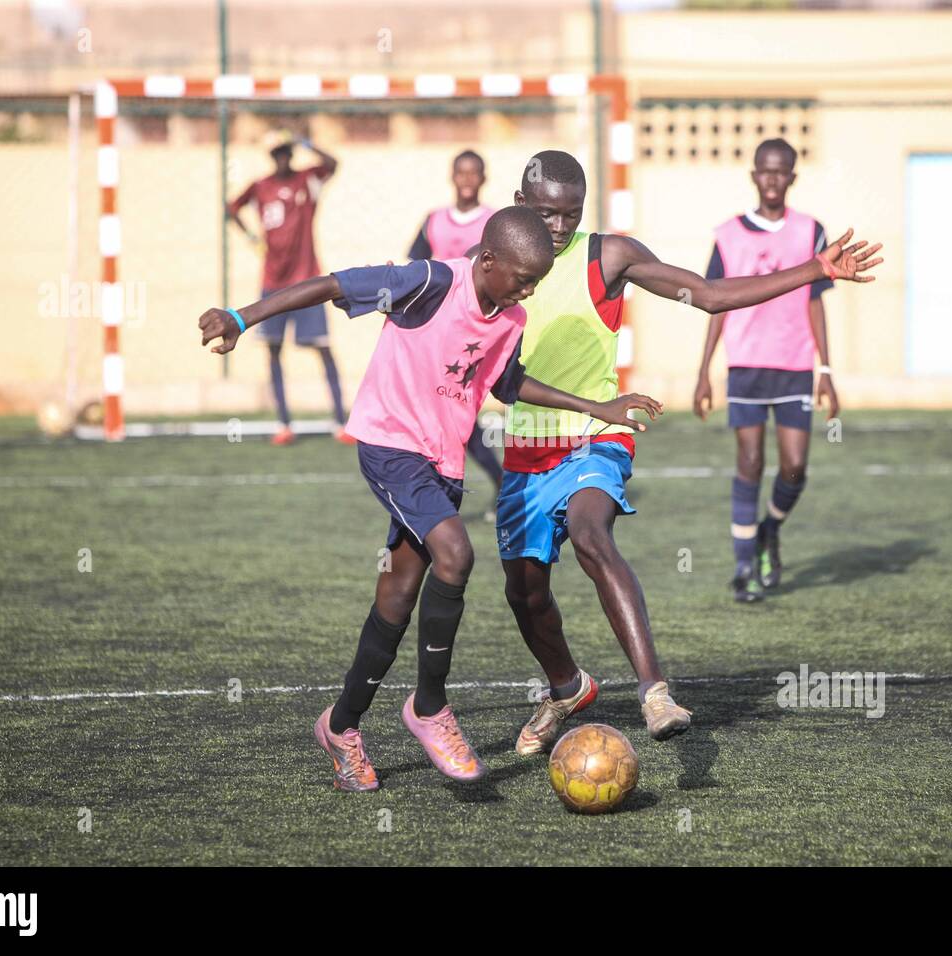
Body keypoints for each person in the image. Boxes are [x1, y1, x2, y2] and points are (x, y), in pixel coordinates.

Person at [197, 206, 662, 791]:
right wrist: (244, 316)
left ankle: (341, 728)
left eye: (537, 281)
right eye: (522, 277)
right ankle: (430, 707)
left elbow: (507, 383)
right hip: (391, 446)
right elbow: (333, 283)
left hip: (443, 462)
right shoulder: (428, 282)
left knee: (396, 597)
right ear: (486, 260)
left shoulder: (511, 316)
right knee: (457, 553)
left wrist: (598, 409)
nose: (529, 289)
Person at [495, 150, 882, 754]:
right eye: (547, 215)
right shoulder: (490, 260)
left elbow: (708, 295)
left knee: (592, 532)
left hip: (599, 435)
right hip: (526, 447)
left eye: (571, 214)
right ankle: (566, 686)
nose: (560, 228)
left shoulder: (610, 256)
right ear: (521, 206)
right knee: (525, 593)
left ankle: (655, 693)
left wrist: (815, 269)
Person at [694, 138, 839, 603]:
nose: (772, 179)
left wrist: (826, 368)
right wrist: (704, 371)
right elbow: (715, 303)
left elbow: (816, 302)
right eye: (765, 170)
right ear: (753, 175)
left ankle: (769, 529)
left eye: (782, 171)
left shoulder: (811, 231)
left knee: (795, 467)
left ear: (792, 177)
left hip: (795, 365)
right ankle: (742, 567)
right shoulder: (727, 234)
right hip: (746, 366)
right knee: (750, 462)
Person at [226, 130, 351, 445]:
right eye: (277, 153)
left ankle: (341, 420)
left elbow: (334, 163)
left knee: (323, 348)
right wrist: (251, 237)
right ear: (271, 157)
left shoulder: (307, 180)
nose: (282, 157)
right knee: (273, 350)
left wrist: (305, 141)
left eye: (286, 151)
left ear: (292, 154)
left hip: (307, 279)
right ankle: (284, 423)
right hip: (274, 282)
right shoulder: (260, 186)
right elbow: (231, 208)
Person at [407, 149, 503, 520]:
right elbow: (415, 267)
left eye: (473, 172)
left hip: (478, 332)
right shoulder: (434, 221)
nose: (467, 179)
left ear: (483, 177)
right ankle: (496, 484)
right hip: (435, 332)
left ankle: (494, 485)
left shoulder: (495, 221)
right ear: (452, 176)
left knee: (458, 413)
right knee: (449, 412)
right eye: (460, 172)